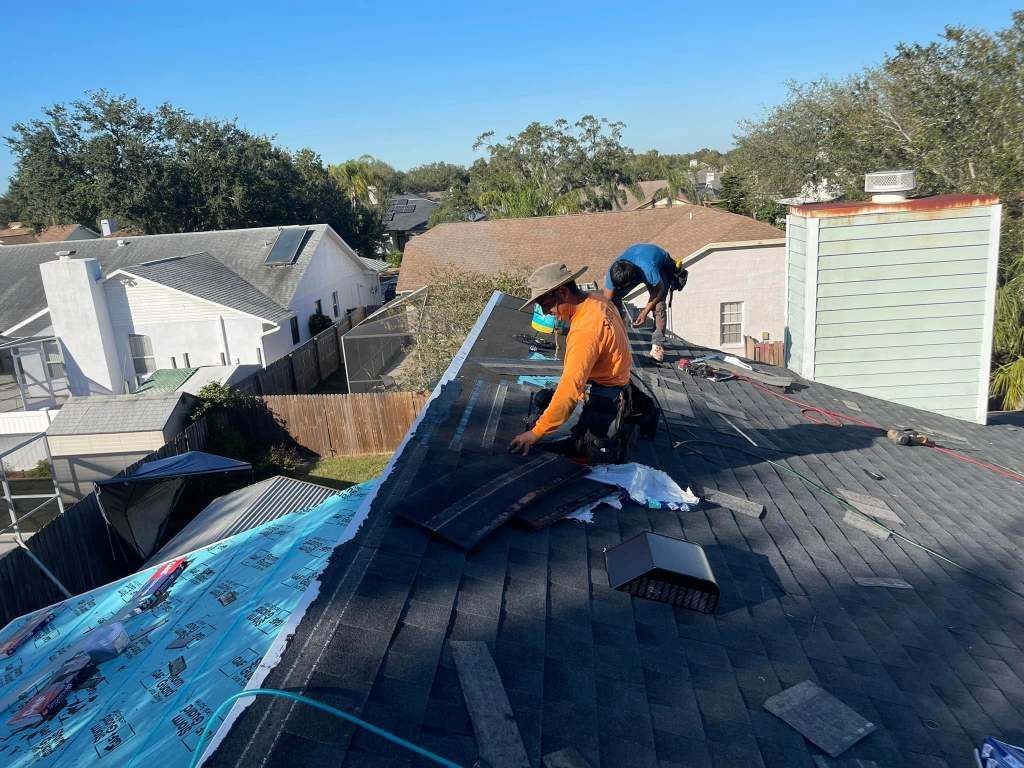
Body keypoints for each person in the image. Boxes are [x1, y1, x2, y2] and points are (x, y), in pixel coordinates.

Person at [510, 262, 654, 463]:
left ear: (562, 292)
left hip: (605, 396)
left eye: (546, 305)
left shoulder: (585, 331)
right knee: (544, 399)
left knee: (584, 450)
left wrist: (535, 434)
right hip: (620, 384)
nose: (546, 313)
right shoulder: (597, 300)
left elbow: (570, 389)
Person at [603, 243, 687, 362]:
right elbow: (606, 303)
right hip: (639, 257)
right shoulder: (612, 274)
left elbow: (659, 290)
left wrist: (644, 312)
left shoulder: (649, 269)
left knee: (659, 305)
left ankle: (658, 345)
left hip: (660, 264)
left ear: (632, 280)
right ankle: (619, 334)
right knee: (613, 299)